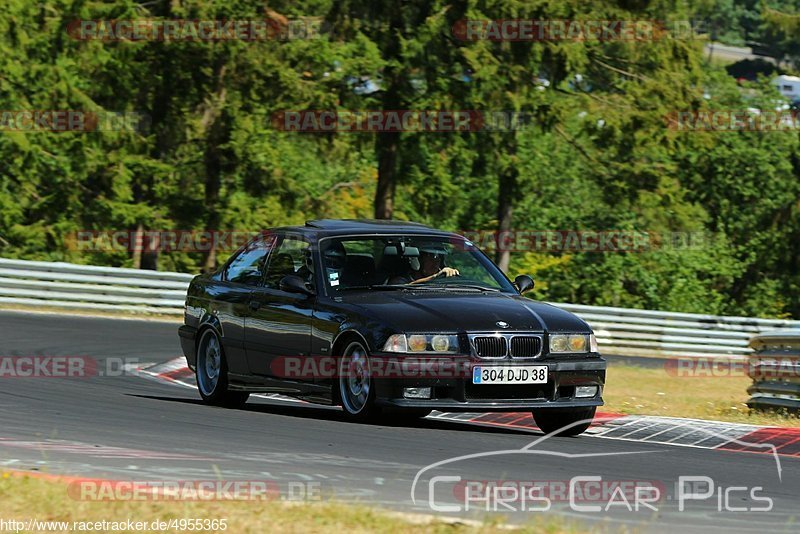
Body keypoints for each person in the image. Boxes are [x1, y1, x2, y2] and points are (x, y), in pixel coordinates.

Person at [389, 245, 459, 285]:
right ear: (418, 261)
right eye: (430, 260)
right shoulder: (399, 281)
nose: (435, 264)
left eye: (438, 261)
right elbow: (405, 287)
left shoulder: (440, 284)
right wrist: (434, 277)